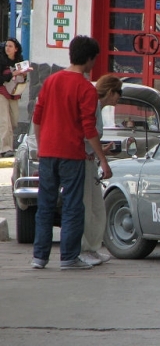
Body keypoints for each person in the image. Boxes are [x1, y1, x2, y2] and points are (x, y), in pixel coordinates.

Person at [31, 35, 112, 270]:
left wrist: (40, 146)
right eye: (94, 59)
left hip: (47, 153)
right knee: (73, 206)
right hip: (72, 155)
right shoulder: (86, 88)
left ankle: (39, 257)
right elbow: (89, 129)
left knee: (45, 206)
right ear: (89, 59)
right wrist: (103, 160)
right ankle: (68, 257)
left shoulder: (50, 81)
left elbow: (37, 117)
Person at [80, 74, 122, 266]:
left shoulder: (100, 108)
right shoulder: (94, 105)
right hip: (83, 160)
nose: (119, 98)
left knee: (97, 207)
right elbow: (88, 132)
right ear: (111, 92)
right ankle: (83, 249)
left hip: (90, 159)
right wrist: (102, 159)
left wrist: (99, 152)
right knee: (86, 207)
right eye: (118, 93)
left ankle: (93, 247)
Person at [0, 37, 31, 158]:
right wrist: (12, 74)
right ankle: (5, 148)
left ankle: (7, 146)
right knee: (4, 121)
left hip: (14, 93)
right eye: (6, 46)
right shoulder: (1, 60)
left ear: (16, 49)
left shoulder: (19, 61)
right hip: (2, 92)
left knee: (13, 120)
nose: (7, 48)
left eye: (10, 46)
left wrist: (23, 75)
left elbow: (22, 80)